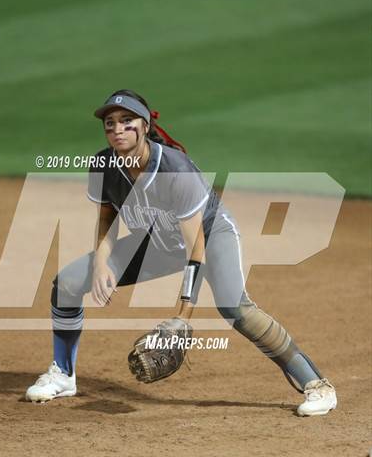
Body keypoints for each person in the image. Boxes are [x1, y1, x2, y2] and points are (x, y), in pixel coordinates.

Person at [25, 89, 337, 416]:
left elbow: (195, 245)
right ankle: (63, 374)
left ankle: (316, 384)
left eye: (127, 121)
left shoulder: (175, 169)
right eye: (110, 122)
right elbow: (107, 220)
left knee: (234, 307)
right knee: (68, 283)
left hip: (211, 235)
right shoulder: (103, 164)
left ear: (145, 126)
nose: (117, 129)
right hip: (158, 240)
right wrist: (102, 263)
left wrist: (181, 316)